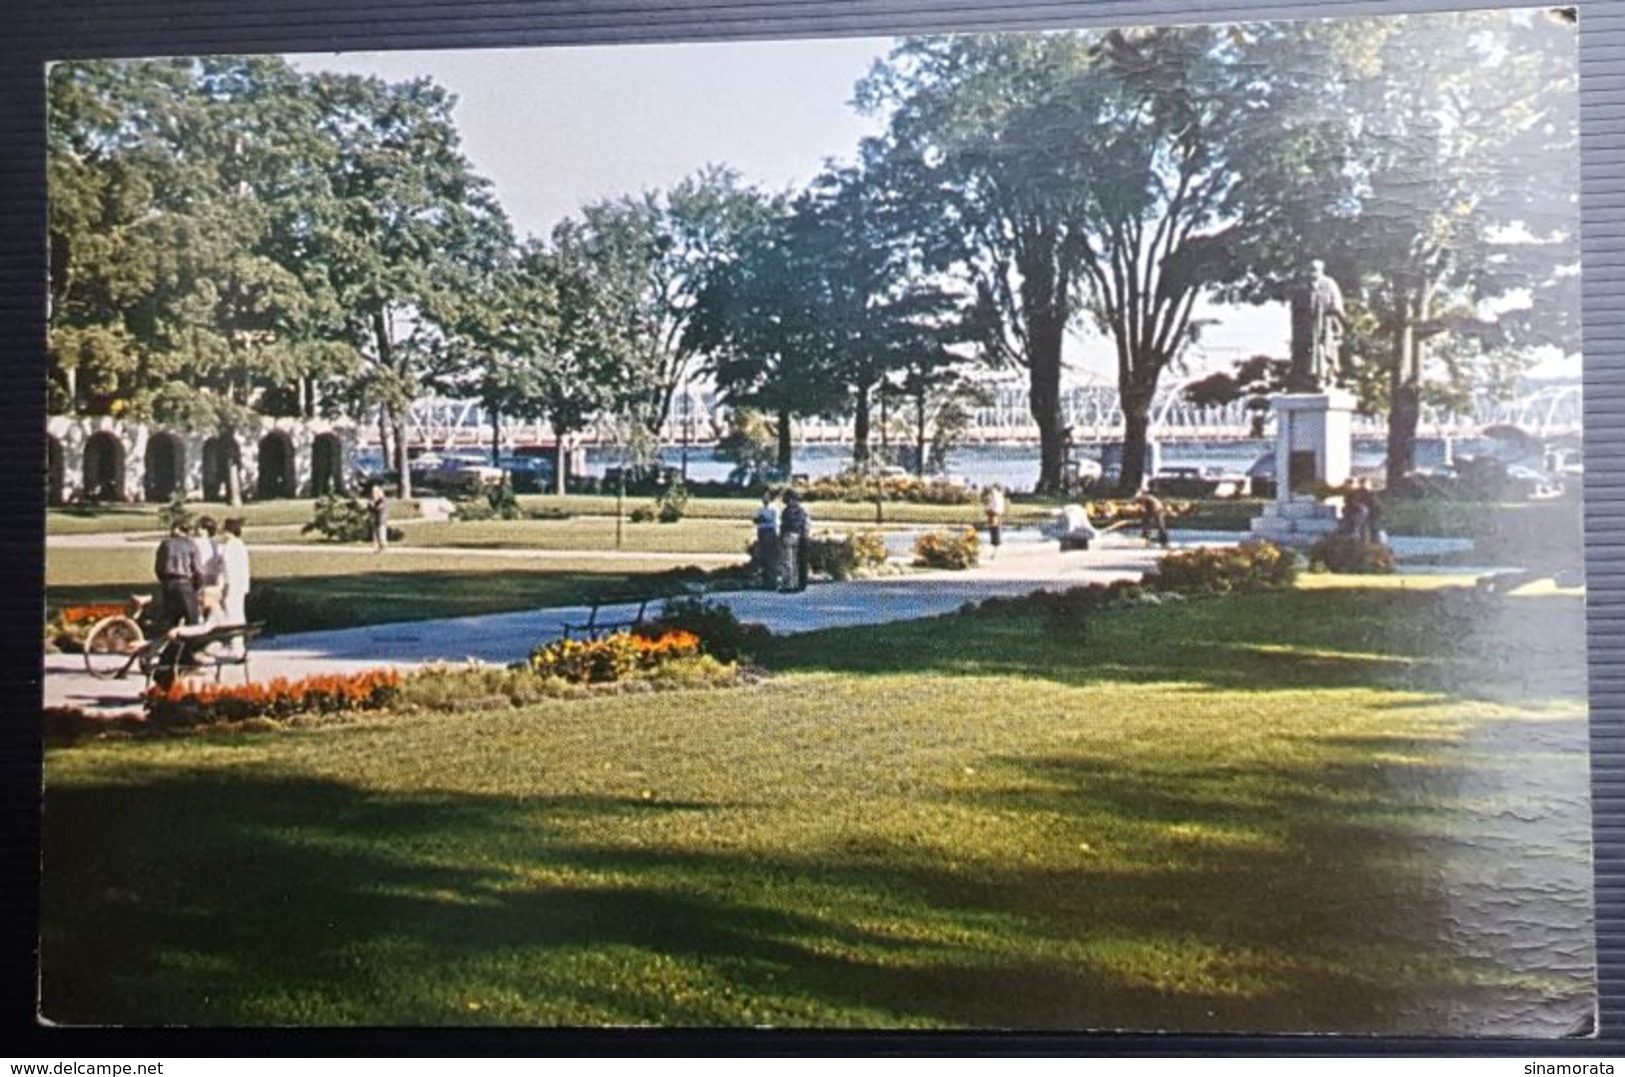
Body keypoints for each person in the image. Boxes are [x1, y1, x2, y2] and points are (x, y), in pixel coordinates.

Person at [153, 519, 203, 629]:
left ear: (176, 529)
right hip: (185, 584)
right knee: (192, 621)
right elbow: (198, 569)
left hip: (168, 584)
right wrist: (197, 586)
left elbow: (158, 567)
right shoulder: (191, 545)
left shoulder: (165, 544)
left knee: (169, 620)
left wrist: (164, 581)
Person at [219, 517, 252, 653]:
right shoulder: (241, 545)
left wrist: (225, 585)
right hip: (241, 585)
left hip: (232, 585)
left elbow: (227, 568)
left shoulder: (229, 547)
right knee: (239, 613)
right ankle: (240, 643)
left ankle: (235, 643)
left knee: (231, 614)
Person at [779, 489, 811, 593]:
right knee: (795, 562)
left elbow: (784, 525)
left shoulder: (787, 511)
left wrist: (780, 536)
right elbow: (805, 525)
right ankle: (796, 584)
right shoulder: (802, 511)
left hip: (788, 535)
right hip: (798, 536)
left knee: (787, 561)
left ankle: (789, 585)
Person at [753, 491, 780, 589]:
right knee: (763, 557)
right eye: (764, 498)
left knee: (771, 558)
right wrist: (759, 519)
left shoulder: (773, 509)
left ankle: (772, 582)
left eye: (767, 498)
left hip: (770, 531)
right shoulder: (759, 509)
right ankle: (765, 581)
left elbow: (772, 520)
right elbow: (755, 520)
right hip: (761, 532)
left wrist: (763, 519)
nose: (765, 500)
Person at [192, 515, 225, 591]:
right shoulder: (215, 543)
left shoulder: (195, 542)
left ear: (205, 529)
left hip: (201, 573)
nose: (196, 529)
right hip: (213, 573)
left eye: (199, 527)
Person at [982, 484, 1007, 559]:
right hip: (996, 515)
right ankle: (994, 552)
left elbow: (992, 506)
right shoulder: (998, 495)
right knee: (995, 532)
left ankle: (995, 553)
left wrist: (987, 510)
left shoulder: (995, 495)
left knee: (995, 533)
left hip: (994, 515)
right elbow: (996, 506)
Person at [367, 485, 389, 552]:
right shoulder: (371, 499)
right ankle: (376, 547)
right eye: (373, 492)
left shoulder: (383, 500)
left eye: (376, 492)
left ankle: (383, 547)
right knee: (375, 535)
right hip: (374, 519)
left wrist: (374, 505)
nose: (374, 493)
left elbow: (380, 508)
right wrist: (371, 504)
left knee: (382, 534)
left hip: (381, 520)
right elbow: (369, 508)